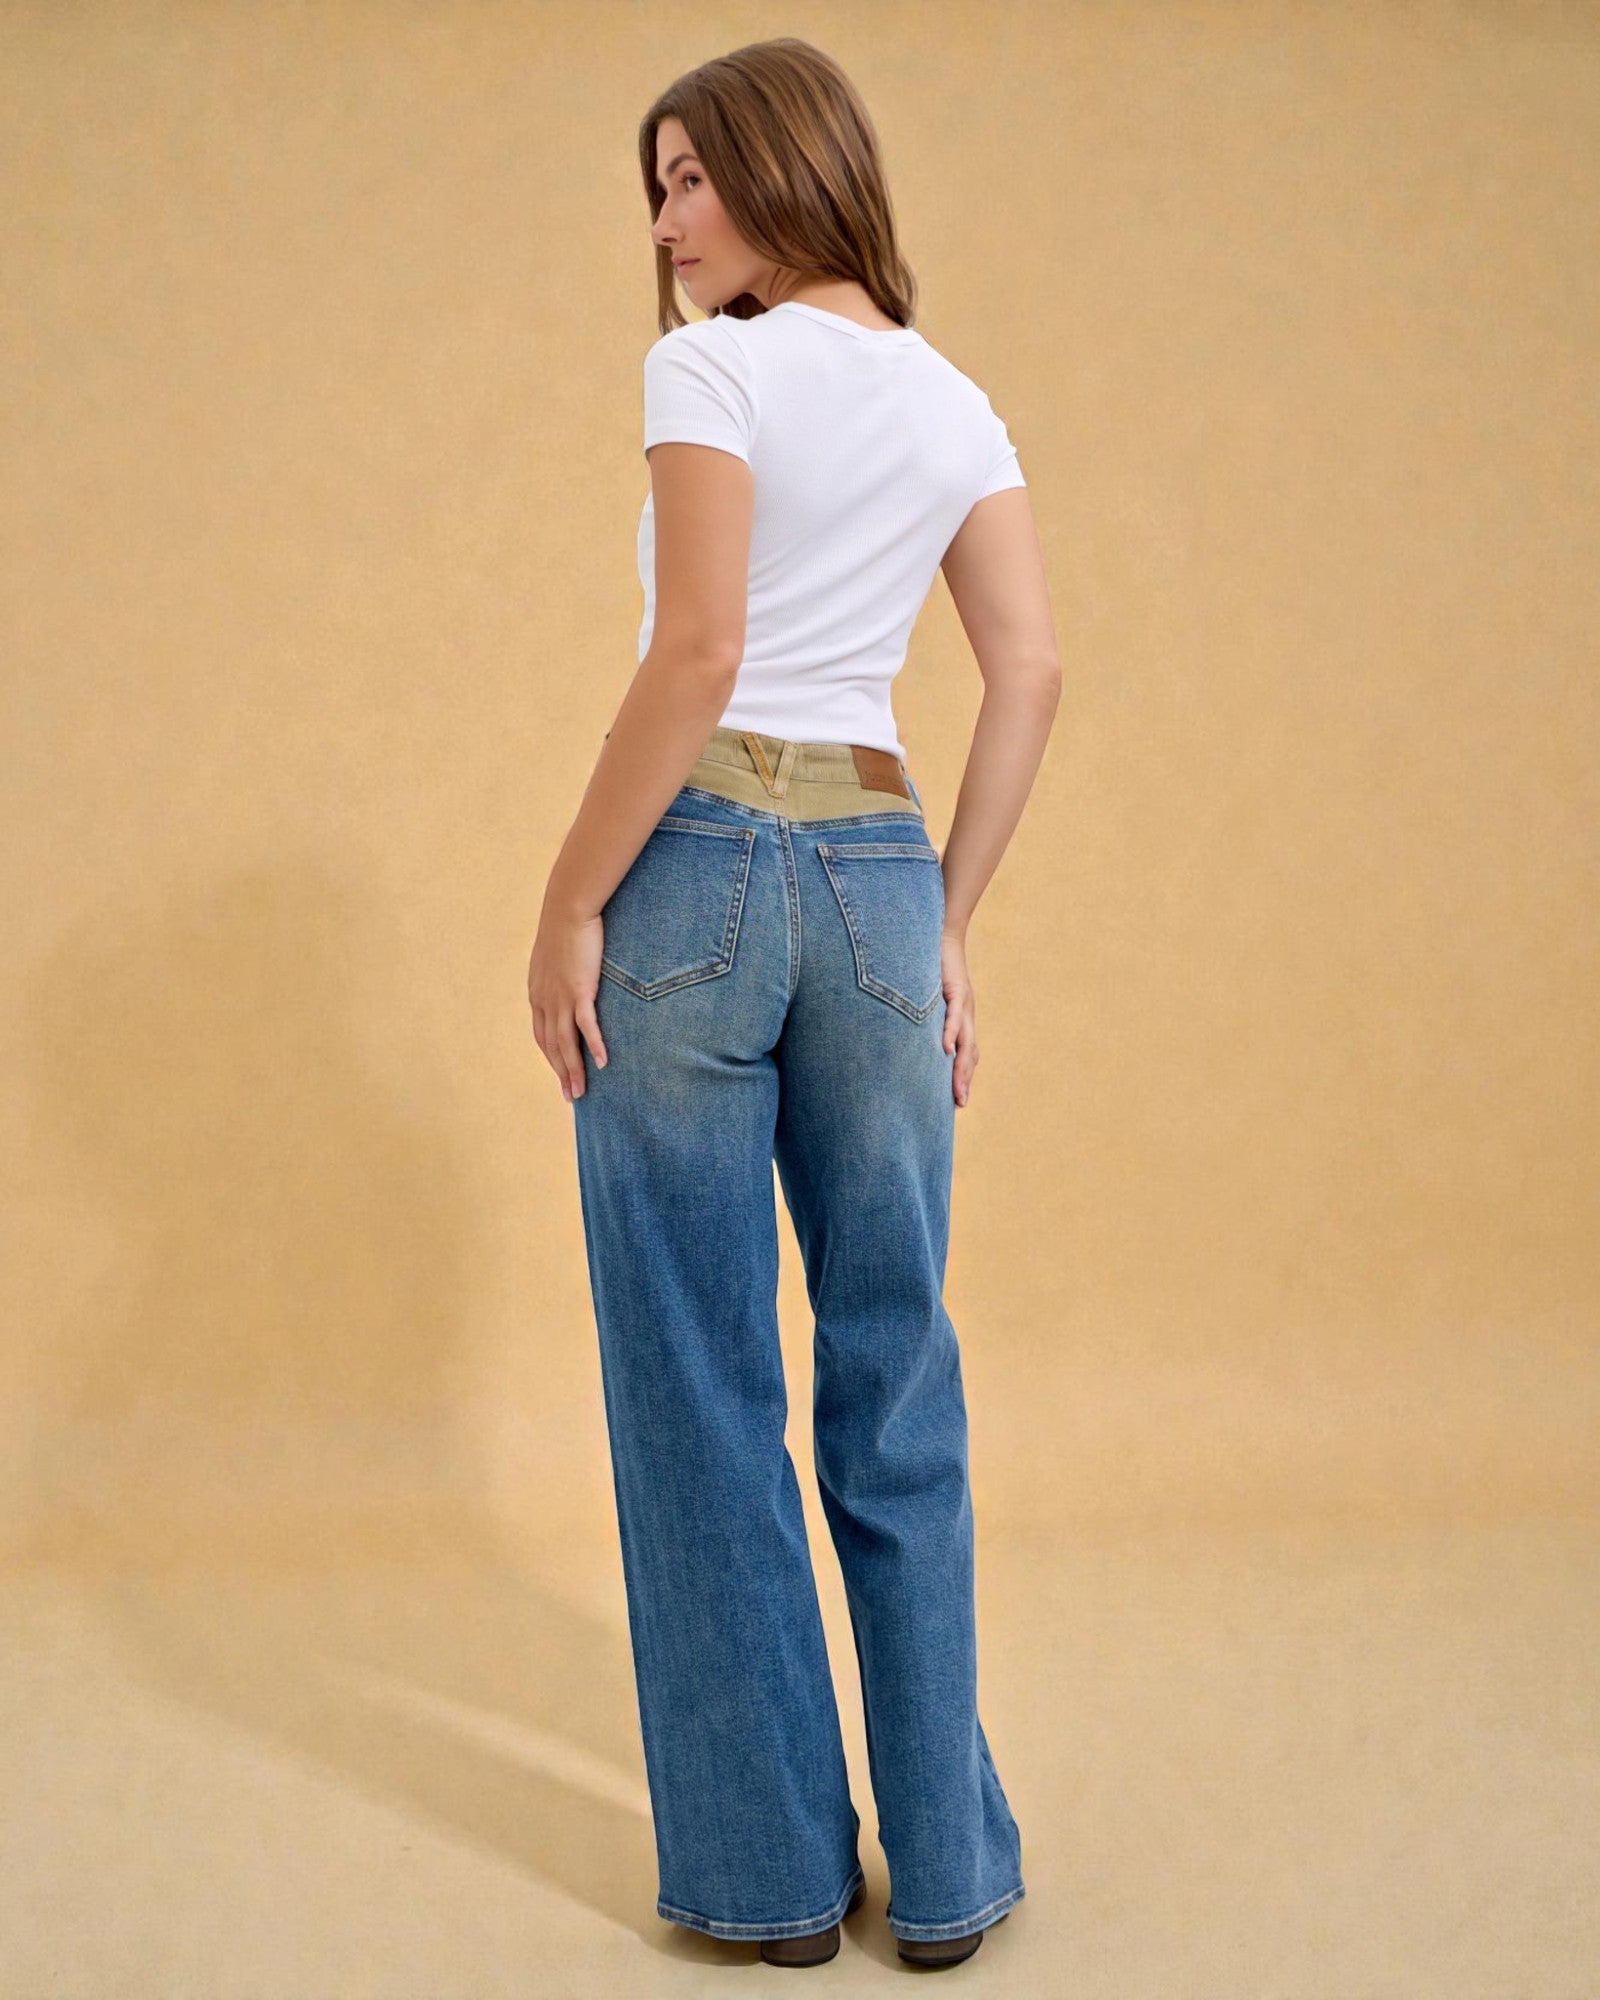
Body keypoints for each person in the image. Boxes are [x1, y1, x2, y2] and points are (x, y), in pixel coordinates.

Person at [526, 35, 1061, 1973]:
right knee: (893, 1370)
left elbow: (699, 649)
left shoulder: (712, 366)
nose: (666, 222)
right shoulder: (951, 400)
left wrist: (564, 899)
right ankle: (945, 1873)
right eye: (651, 188)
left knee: (695, 1383)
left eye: (689, 175)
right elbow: (1027, 670)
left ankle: (762, 1881)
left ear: (780, 166)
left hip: (697, 871)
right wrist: (951, 926)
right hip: (873, 884)